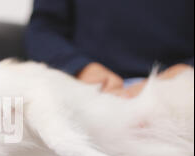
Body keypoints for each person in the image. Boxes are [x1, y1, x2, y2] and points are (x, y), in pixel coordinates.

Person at [25, 0, 194, 98]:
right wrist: (82, 68)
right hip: (90, 86)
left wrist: (182, 74)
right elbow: (42, 31)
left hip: (180, 86)